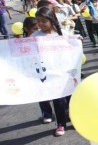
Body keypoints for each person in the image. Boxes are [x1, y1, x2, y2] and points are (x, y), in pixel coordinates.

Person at [31, 7, 72, 136]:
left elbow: (73, 42)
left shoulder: (62, 34)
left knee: (70, 98)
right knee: (58, 100)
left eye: (43, 21)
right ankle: (61, 124)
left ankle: (74, 118)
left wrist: (78, 40)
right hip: (49, 75)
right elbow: (22, 49)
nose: (41, 24)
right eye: (38, 21)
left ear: (52, 20)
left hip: (66, 73)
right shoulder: (35, 36)